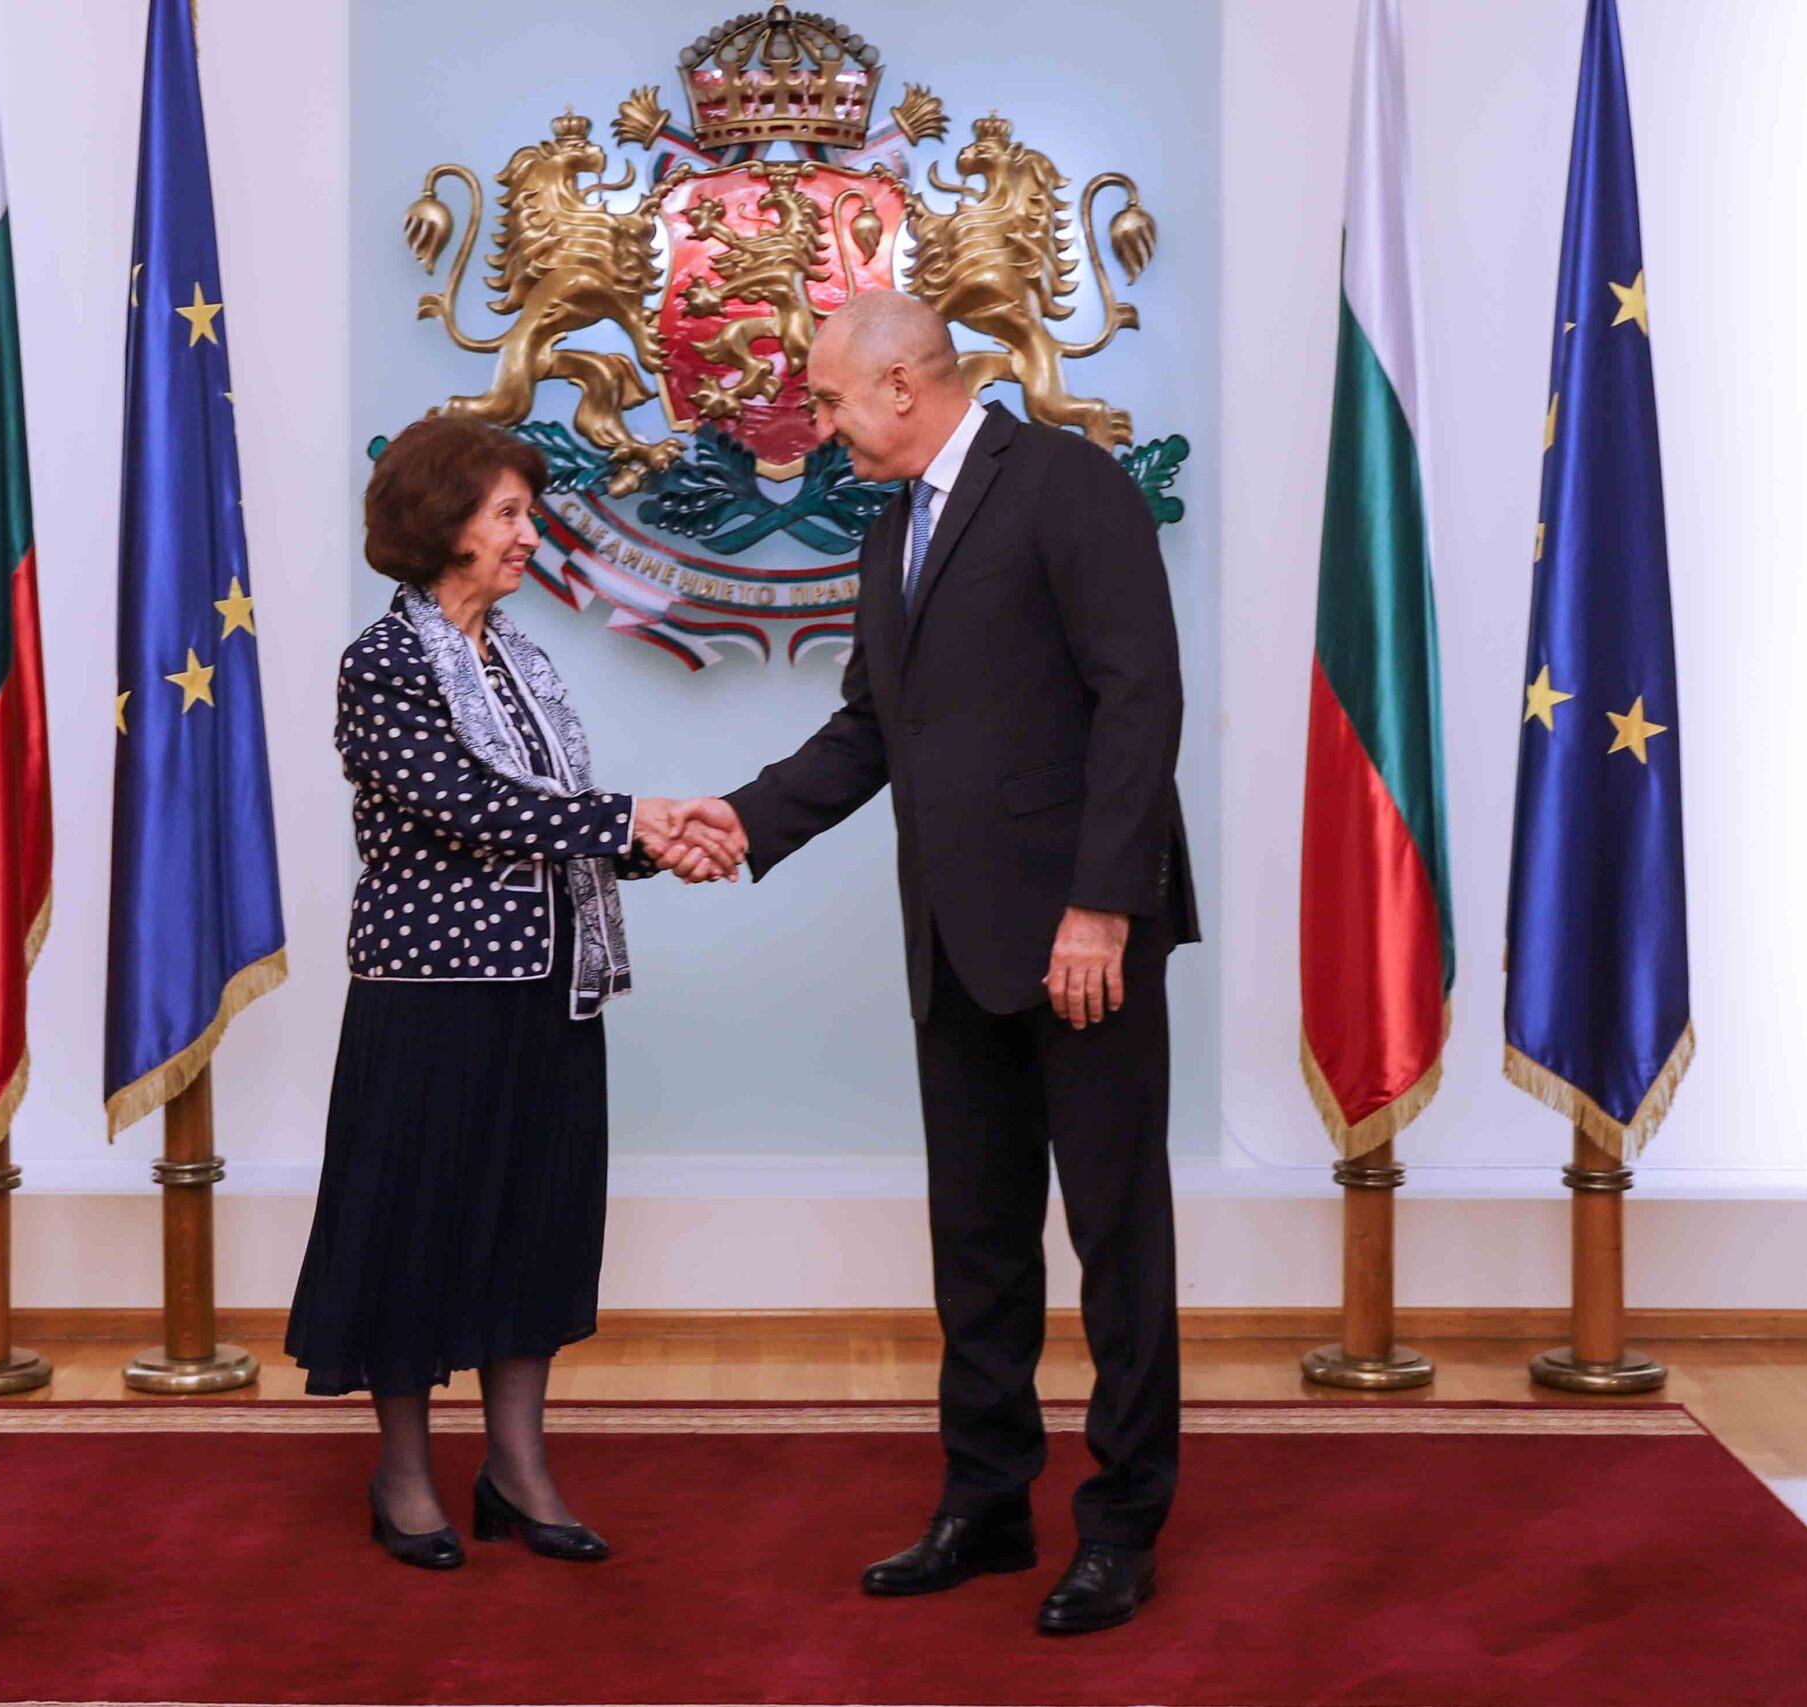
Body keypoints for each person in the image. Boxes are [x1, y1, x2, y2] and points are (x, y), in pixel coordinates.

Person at [675, 291, 1198, 1635]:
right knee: (976, 1237)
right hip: (953, 936)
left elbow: (1143, 694)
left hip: (1082, 940)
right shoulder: (893, 524)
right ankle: (988, 1498)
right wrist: (744, 818)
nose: (817, 418)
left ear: (904, 383)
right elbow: (873, 728)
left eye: (832, 397)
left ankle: (1124, 1523)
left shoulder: (1068, 485)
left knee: (1115, 1235)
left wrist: (1103, 906)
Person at [285, 416, 726, 1571]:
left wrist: (656, 835)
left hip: (545, 993)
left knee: (533, 1226)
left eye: (527, 513)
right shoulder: (382, 661)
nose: (530, 534)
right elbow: (468, 808)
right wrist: (632, 818)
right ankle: (404, 1476)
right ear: (444, 528)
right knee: (416, 1231)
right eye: (509, 515)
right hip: (431, 997)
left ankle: (518, 1467)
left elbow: (554, 819)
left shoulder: (521, 657)